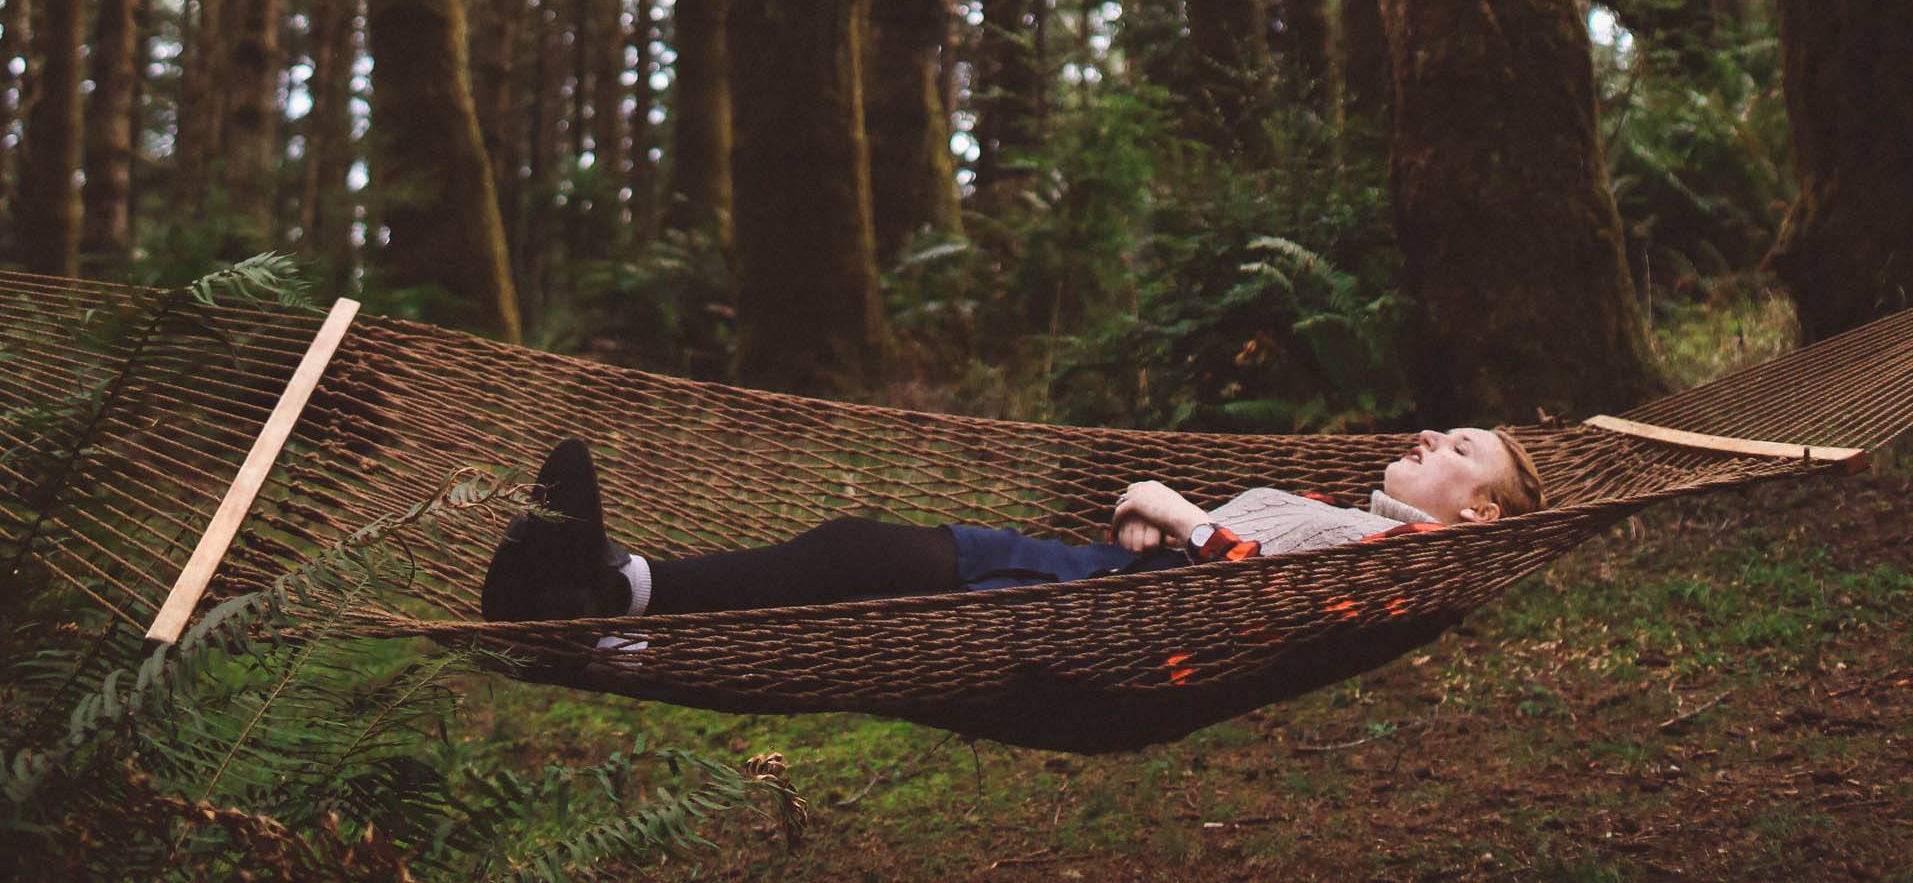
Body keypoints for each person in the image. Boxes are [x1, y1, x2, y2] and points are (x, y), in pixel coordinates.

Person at [479, 423, 1543, 626]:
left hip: (1084, 621)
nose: (1427, 438)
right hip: (1095, 579)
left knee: (854, 575)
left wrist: (1176, 513)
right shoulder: (1345, 520)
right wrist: (1160, 528)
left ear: (1481, 511)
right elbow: (1233, 561)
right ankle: (612, 595)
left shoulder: (1400, 561)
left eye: (1458, 448)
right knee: (850, 550)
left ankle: (608, 608)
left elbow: (1256, 594)